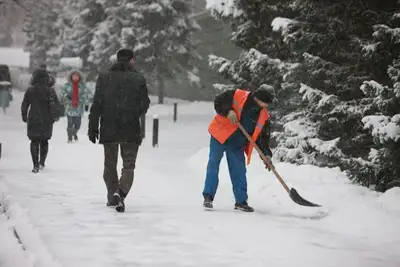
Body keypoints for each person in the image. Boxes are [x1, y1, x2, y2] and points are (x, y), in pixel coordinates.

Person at [88, 48, 150, 213]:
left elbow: (96, 105)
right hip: (130, 128)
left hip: (109, 127)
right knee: (128, 165)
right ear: (131, 60)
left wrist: (92, 127)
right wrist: (133, 113)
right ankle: (120, 193)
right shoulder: (138, 79)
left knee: (110, 164)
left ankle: (111, 194)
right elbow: (145, 104)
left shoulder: (104, 78)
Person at [202, 85, 275, 212]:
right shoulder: (238, 95)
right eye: (265, 102)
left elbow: (263, 138)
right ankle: (208, 196)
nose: (266, 106)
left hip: (237, 142)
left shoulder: (264, 116)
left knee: (239, 171)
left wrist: (266, 154)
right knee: (213, 164)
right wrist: (228, 111)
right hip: (220, 134)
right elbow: (219, 101)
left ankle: (241, 202)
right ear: (258, 97)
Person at [21, 68, 60, 173]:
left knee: (34, 141)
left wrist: (24, 115)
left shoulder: (31, 90)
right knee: (44, 141)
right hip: (47, 119)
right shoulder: (50, 90)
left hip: (33, 118)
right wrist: (55, 116)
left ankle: (35, 165)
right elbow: (57, 105)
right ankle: (42, 162)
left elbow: (25, 104)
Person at [60, 70, 90, 142]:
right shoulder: (67, 85)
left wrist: (86, 104)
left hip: (79, 108)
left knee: (78, 124)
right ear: (71, 76)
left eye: (77, 76)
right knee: (70, 123)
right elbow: (62, 93)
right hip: (69, 107)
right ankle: (69, 137)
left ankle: (74, 133)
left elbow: (85, 95)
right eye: (74, 76)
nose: (75, 77)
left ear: (79, 77)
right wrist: (67, 96)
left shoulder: (82, 86)